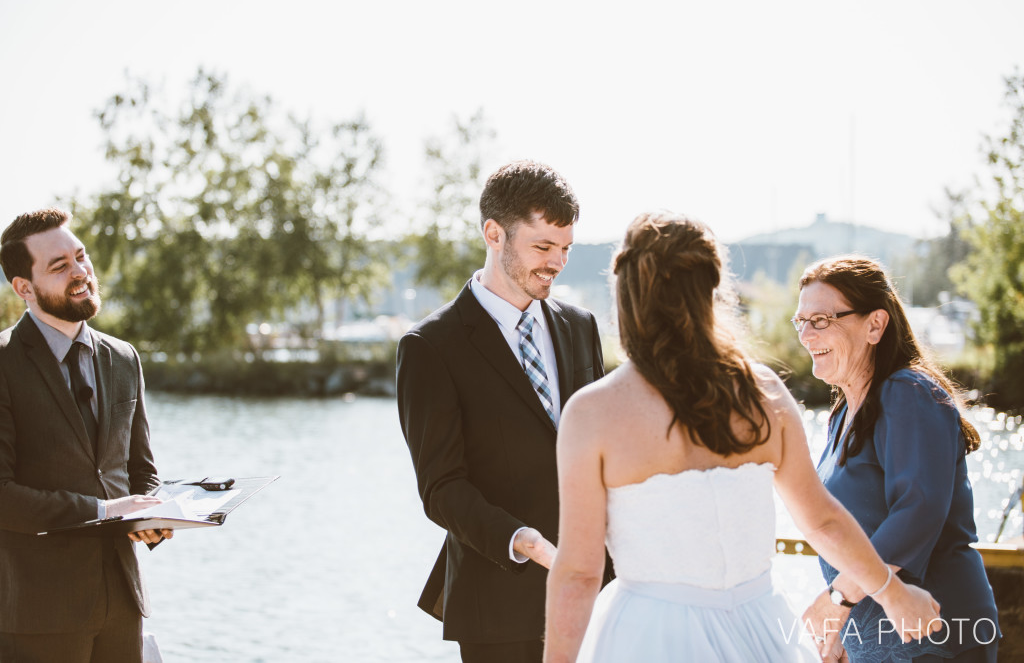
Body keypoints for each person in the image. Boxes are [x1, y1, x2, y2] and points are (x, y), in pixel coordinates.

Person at [544, 213, 943, 663]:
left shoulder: (593, 413)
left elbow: (578, 574)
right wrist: (892, 593)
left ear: (627, 297)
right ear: (712, 294)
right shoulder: (764, 394)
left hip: (647, 636)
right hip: (759, 631)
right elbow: (823, 522)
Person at [396, 160, 609, 663]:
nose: (557, 262)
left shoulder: (581, 326)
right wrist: (527, 543)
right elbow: (441, 488)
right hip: (499, 605)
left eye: (565, 249)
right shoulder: (431, 346)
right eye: (542, 247)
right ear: (494, 233)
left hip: (599, 595)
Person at [796, 256, 1000, 662]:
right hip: (877, 637)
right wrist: (844, 628)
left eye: (820, 320)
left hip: (939, 634)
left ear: (875, 324)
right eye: (800, 321)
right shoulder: (842, 414)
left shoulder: (909, 390)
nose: (806, 334)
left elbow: (917, 509)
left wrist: (839, 599)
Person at [0, 208, 172, 662]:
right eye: (59, 266)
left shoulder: (123, 357)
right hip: (38, 613)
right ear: (24, 288)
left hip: (124, 605)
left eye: (81, 257)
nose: (80, 272)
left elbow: (141, 470)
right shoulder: (2, 362)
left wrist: (153, 515)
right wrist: (104, 511)